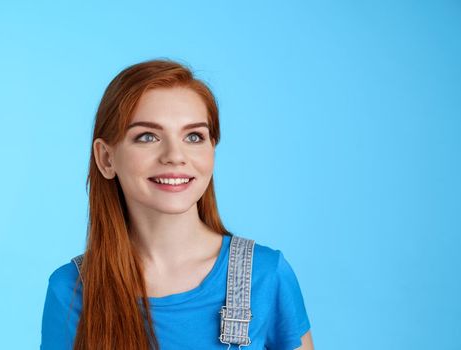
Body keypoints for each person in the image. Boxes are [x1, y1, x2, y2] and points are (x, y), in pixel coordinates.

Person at [40, 59, 313, 349]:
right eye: (148, 136)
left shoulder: (267, 274)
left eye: (194, 136)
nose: (175, 155)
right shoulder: (71, 291)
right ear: (106, 158)